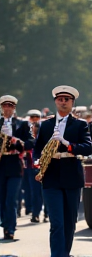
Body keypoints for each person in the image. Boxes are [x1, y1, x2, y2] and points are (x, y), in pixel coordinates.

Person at [33, 85, 92, 257]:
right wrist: (38, 161)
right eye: (60, 99)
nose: (63, 102)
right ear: (55, 102)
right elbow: (37, 148)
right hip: (51, 175)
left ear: (72, 103)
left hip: (71, 174)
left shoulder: (80, 124)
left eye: (67, 99)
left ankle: (64, 253)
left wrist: (67, 143)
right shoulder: (46, 125)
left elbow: (88, 148)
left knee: (69, 221)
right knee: (57, 222)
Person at [0, 95, 34, 240]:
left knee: (11, 198)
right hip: (1, 164)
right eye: (5, 106)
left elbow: (32, 141)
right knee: (1, 198)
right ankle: (5, 222)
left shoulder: (22, 124)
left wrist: (19, 144)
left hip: (15, 164)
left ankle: (10, 228)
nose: (7, 109)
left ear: (14, 108)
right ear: (2, 108)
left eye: (10, 106)